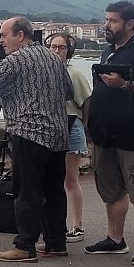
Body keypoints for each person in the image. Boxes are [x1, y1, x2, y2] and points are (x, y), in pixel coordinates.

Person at [0, 16, 73, 262]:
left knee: (27, 192)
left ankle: (25, 246)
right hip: (58, 134)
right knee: (54, 192)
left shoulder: (17, 60)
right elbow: (69, 92)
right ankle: (56, 243)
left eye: (4, 35)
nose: (1, 40)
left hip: (28, 133)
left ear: (21, 35)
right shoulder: (54, 58)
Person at [84, 1, 134, 265]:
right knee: (111, 190)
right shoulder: (109, 51)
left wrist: (125, 84)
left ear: (129, 24)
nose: (106, 25)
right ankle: (115, 239)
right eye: (106, 19)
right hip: (106, 133)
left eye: (112, 21)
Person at [46, 33, 92, 243]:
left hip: (71, 127)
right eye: (53, 47)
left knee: (70, 180)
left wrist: (84, 126)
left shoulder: (74, 74)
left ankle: (77, 225)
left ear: (69, 51)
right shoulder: (47, 72)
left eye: (61, 48)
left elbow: (87, 102)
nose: (56, 51)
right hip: (54, 129)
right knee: (55, 180)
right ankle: (56, 224)